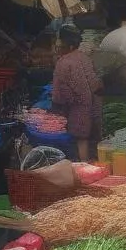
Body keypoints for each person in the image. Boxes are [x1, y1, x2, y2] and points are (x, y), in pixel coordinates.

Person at [51, 25, 102, 161]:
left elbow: (60, 93)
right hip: (94, 107)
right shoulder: (86, 58)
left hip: (78, 110)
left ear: (69, 46)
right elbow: (96, 83)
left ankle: (83, 171)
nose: (58, 48)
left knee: (81, 142)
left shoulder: (63, 62)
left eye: (60, 45)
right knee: (93, 143)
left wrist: (58, 108)